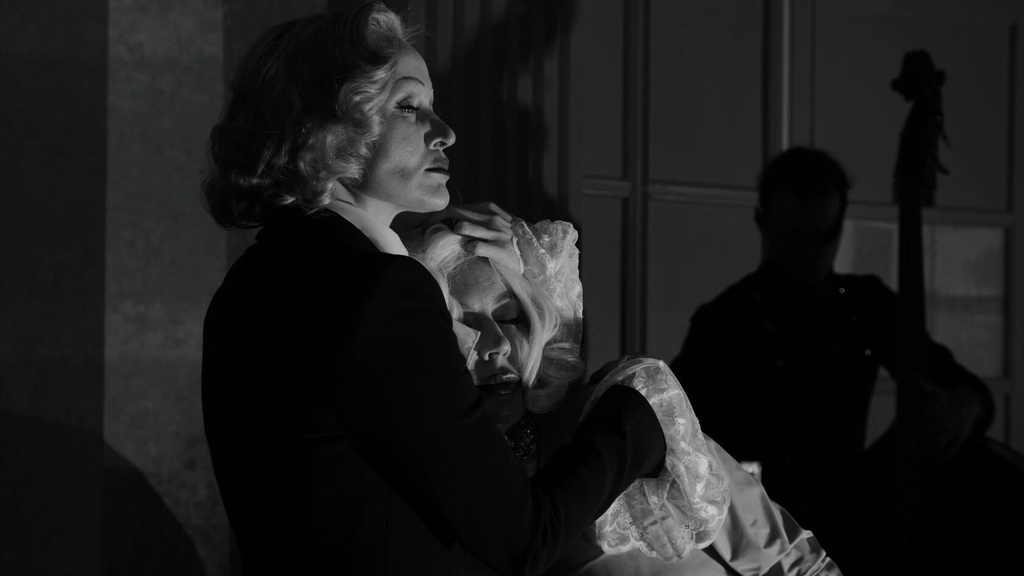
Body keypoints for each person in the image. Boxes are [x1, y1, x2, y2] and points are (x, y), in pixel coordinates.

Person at [199, 4, 666, 575]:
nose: (445, 132)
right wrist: (636, 418)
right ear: (326, 129)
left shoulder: (255, 280)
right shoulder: (378, 292)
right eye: (408, 106)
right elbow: (524, 536)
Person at [408, 219, 842, 576]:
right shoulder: (431, 482)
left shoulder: (625, 414)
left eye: (509, 316)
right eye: (463, 326)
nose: (496, 343)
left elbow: (796, 563)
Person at [668, 146, 998, 573]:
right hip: (756, 534)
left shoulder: (866, 305)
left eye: (825, 237)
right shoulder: (724, 321)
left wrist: (969, 402)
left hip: (852, 522)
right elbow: (677, 433)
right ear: (763, 221)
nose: (812, 255)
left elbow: (953, 378)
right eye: (795, 238)